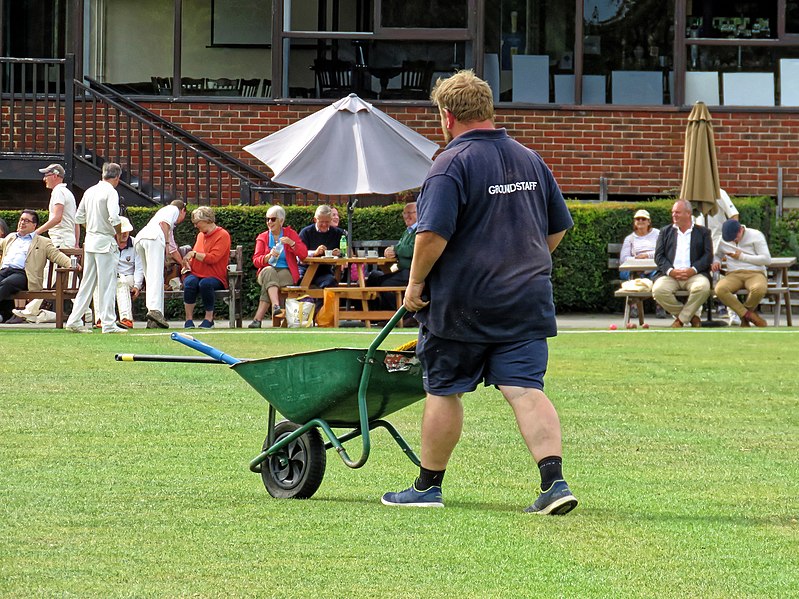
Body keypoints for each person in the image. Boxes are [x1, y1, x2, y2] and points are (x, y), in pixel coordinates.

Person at [381, 70, 577, 515]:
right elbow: (556, 229)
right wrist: (523, 263)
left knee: (445, 389)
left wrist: (414, 284)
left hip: (463, 305)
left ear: (446, 116)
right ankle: (554, 483)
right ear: (488, 109)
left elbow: (431, 236)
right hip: (526, 299)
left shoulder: (450, 163)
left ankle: (427, 487)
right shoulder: (530, 158)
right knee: (525, 388)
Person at [12, 164, 80, 323]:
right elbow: (76, 221)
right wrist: (75, 243)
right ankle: (86, 313)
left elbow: (57, 218)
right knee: (68, 279)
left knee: (49, 275)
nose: (44, 179)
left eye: (46, 175)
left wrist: (36, 232)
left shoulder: (58, 192)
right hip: (66, 239)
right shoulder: (67, 193)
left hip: (59, 240)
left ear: (55, 175)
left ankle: (31, 309)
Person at [65, 162, 126, 334]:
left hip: (91, 241)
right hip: (105, 242)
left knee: (87, 283)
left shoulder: (90, 191)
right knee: (107, 284)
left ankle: (75, 319)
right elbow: (114, 218)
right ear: (117, 178)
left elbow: (79, 217)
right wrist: (119, 236)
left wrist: (93, 229)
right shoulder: (110, 192)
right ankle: (108, 323)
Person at [0, 210, 72, 323]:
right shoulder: (11, 238)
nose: (22, 223)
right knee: (5, 282)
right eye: (21, 220)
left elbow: (57, 255)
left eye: (26, 221)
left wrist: (72, 264)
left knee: (7, 284)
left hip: (23, 274)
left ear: (34, 225)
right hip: (4, 271)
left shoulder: (42, 242)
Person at [652, 199, 713, 328]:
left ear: (688, 213)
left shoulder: (703, 232)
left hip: (694, 275)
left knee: (703, 288)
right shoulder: (665, 232)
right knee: (658, 290)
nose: (674, 215)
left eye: (678, 212)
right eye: (673, 212)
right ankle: (692, 317)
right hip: (671, 275)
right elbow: (659, 256)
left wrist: (693, 270)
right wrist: (670, 271)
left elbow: (708, 256)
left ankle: (680, 321)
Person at [248, 205, 308, 328]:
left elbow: (303, 255)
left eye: (273, 219)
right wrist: (268, 256)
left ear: (281, 221)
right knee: (269, 272)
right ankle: (276, 305)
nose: (269, 222)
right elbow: (256, 261)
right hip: (266, 271)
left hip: (286, 271)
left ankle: (257, 320)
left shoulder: (290, 234)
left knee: (269, 284)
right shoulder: (263, 237)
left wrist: (292, 244)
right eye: (267, 219)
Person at [134, 199, 187, 328]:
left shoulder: (164, 220)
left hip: (141, 239)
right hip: (154, 238)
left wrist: (183, 263)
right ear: (183, 210)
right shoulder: (173, 209)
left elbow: (174, 249)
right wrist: (166, 245)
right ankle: (155, 312)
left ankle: (153, 318)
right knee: (156, 277)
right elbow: (164, 224)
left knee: (150, 277)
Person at [711, 219, 771, 327]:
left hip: (755, 272)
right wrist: (716, 262)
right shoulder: (723, 239)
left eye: (735, 238)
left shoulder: (756, 235)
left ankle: (744, 317)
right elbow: (718, 254)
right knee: (720, 289)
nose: (733, 241)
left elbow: (766, 260)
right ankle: (749, 316)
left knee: (759, 289)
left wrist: (742, 257)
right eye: (729, 240)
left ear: (740, 230)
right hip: (733, 273)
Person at [180, 206, 231, 329]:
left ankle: (209, 319)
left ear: (207, 220)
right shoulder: (200, 235)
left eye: (197, 223)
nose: (195, 226)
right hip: (196, 273)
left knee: (205, 284)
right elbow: (197, 255)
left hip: (215, 276)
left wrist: (194, 254)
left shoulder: (223, 235)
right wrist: (187, 263)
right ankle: (189, 320)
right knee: (190, 282)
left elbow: (213, 258)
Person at [91, 216, 142, 329]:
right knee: (97, 285)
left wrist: (137, 286)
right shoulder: (108, 242)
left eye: (126, 232)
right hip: (110, 275)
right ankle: (100, 319)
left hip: (128, 277)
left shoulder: (135, 244)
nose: (124, 235)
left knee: (122, 281)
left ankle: (126, 319)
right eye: (121, 232)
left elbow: (139, 267)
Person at [367, 202, 417, 314]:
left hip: (413, 272)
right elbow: (400, 247)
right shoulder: (407, 231)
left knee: (386, 285)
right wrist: (389, 251)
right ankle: (374, 314)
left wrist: (395, 249)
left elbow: (412, 250)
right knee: (374, 277)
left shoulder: (419, 231)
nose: (407, 216)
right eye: (405, 213)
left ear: (419, 213)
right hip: (400, 269)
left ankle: (405, 316)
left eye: (410, 213)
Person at [298, 205, 346, 290]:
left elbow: (346, 253)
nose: (324, 225)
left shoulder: (338, 233)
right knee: (297, 282)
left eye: (327, 222)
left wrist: (339, 253)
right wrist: (315, 253)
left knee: (330, 283)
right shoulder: (306, 232)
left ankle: (323, 304)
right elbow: (299, 255)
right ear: (315, 220)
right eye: (321, 222)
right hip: (305, 270)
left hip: (324, 272)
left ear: (331, 220)